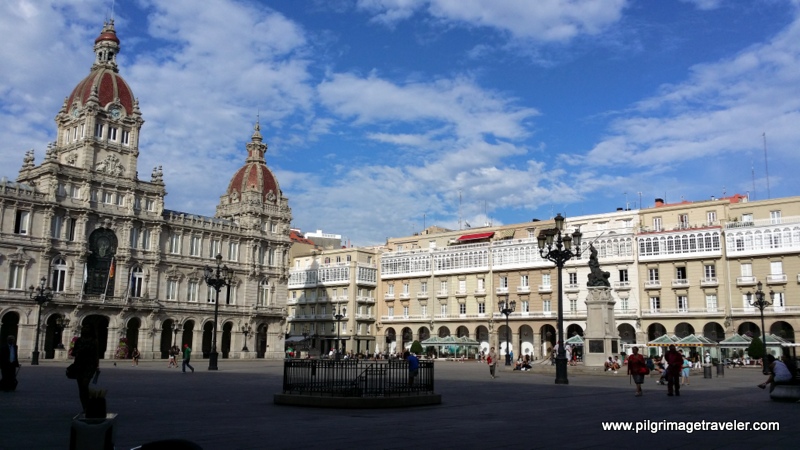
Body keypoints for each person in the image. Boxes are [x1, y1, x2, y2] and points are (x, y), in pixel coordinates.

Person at [73, 329, 100, 413]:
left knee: (84, 385)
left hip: (89, 365)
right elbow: (73, 352)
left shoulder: (94, 341)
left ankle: (87, 406)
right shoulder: (79, 341)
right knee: (81, 387)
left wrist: (97, 365)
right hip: (80, 365)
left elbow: (96, 354)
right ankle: (85, 407)